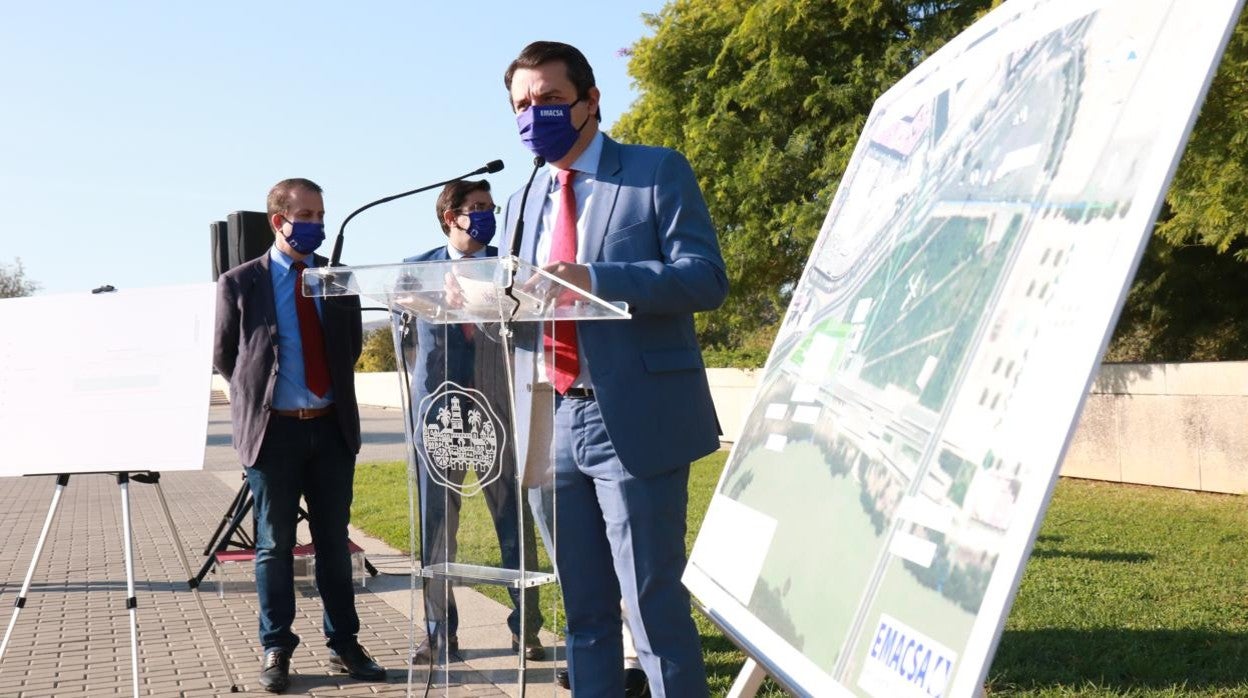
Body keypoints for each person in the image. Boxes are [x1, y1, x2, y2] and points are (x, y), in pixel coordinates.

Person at [502, 41, 728, 698]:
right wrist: (486, 301)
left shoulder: (656, 172)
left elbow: (705, 278)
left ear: (590, 101)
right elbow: (525, 307)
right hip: (551, 419)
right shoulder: (523, 201)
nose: (533, 114)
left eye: (548, 99)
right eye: (522, 104)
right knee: (584, 613)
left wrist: (596, 278)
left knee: (652, 608)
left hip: (632, 416)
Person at [213, 178, 386, 693]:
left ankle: (345, 645)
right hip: (273, 436)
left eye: (319, 215)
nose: (315, 224)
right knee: (274, 545)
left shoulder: (336, 280)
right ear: (278, 220)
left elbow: (348, 349)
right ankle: (276, 648)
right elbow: (227, 358)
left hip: (330, 431)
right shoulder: (240, 282)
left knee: (334, 543)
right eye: (305, 215)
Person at [402, 179, 546, 664]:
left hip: (495, 411)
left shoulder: (508, 267)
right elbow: (406, 329)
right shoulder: (416, 268)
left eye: (490, 207)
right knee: (437, 527)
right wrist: (434, 303)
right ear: (451, 215)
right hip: (439, 412)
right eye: (477, 207)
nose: (487, 215)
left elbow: (528, 326)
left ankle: (526, 627)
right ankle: (439, 632)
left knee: (513, 521)